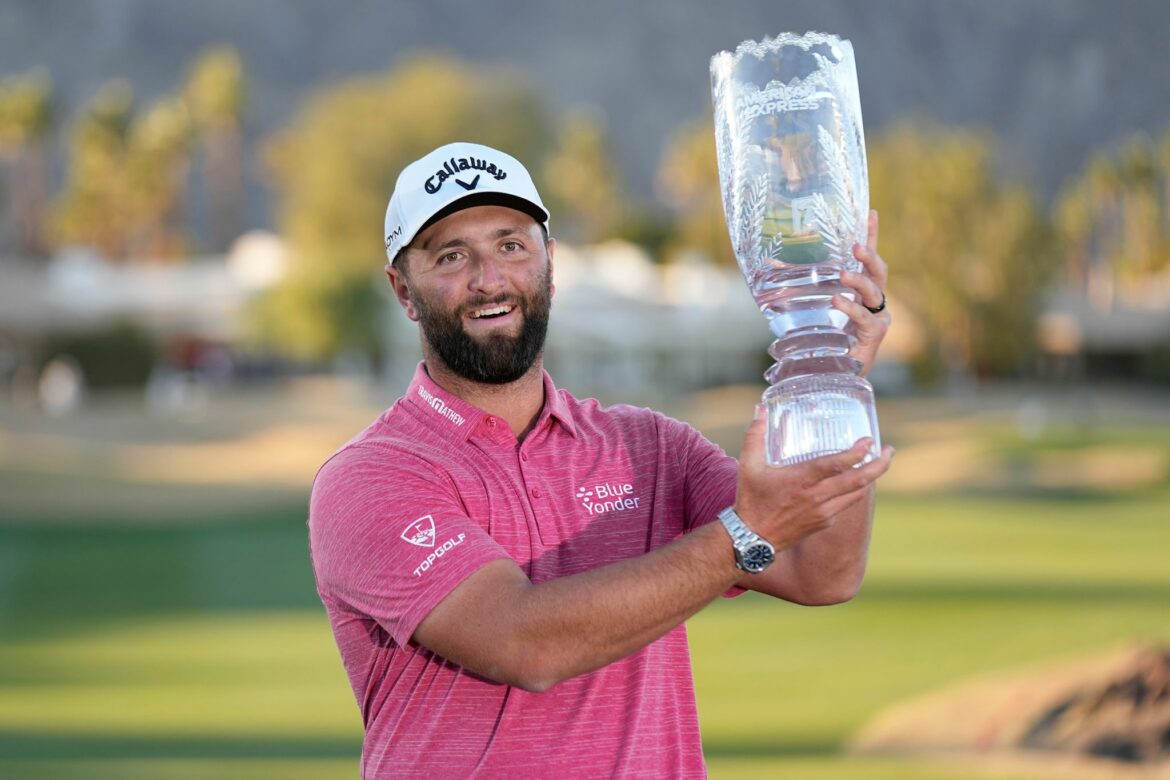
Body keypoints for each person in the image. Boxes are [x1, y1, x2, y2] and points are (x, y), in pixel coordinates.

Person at [308, 141, 894, 778]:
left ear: (549, 264)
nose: (489, 279)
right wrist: (742, 536)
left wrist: (830, 372)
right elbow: (524, 642)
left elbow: (820, 573)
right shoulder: (371, 476)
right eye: (452, 256)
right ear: (403, 289)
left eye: (511, 245)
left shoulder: (649, 446)